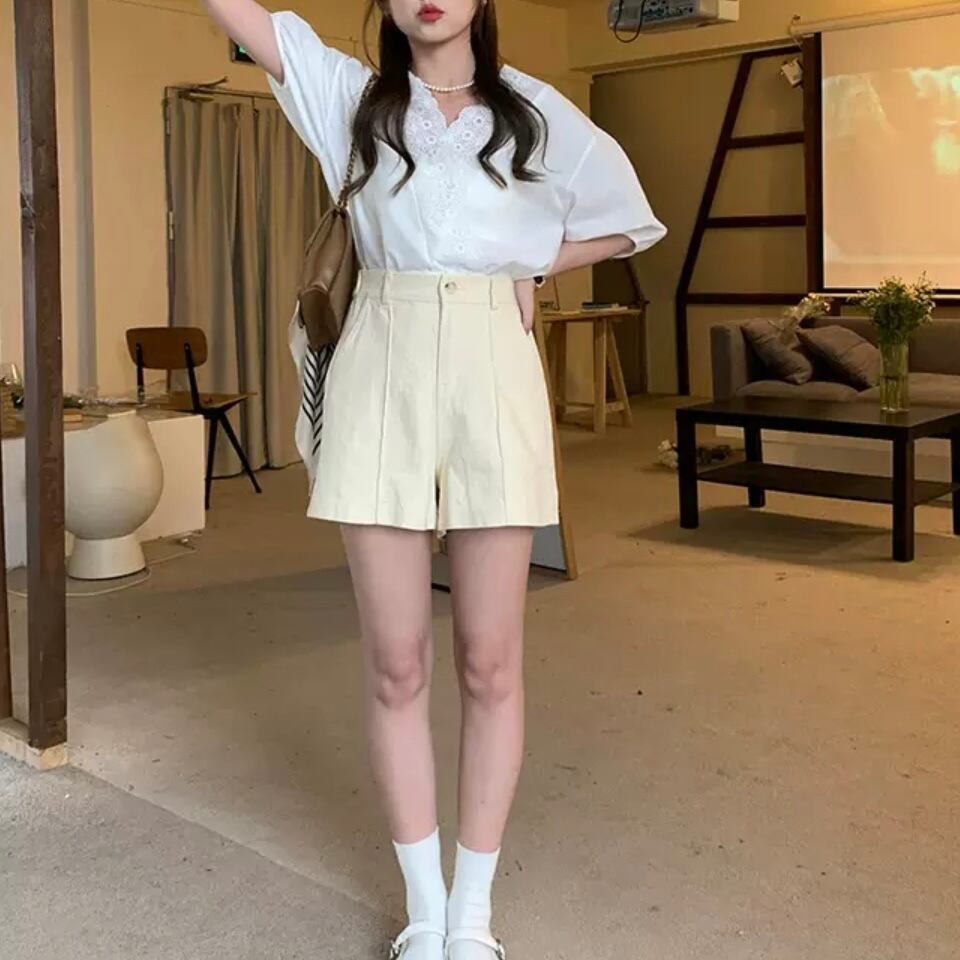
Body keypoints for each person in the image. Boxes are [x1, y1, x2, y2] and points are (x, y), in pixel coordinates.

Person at [201, 2, 666, 958]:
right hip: (383, 364)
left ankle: (473, 914)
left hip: (495, 365)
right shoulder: (352, 99)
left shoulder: (532, 111)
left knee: (490, 660)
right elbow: (240, 15)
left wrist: (538, 262)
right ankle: (424, 910)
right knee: (397, 660)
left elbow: (631, 222)